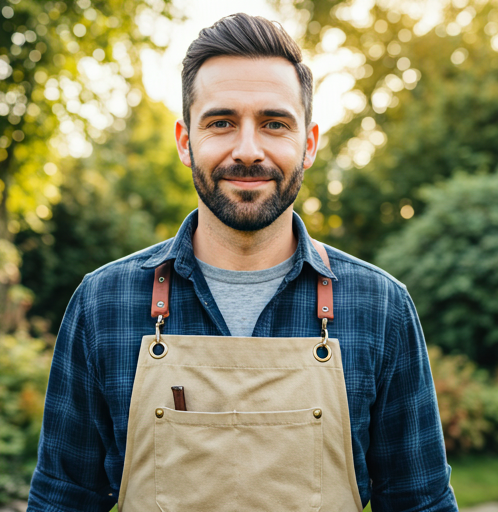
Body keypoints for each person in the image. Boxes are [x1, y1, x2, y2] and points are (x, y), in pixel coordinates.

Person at [28, 13, 458, 512]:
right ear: (186, 141)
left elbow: (420, 504)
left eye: (274, 124)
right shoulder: (104, 303)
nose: (248, 150)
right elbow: (60, 501)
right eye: (221, 123)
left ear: (310, 143)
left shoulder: (380, 306)